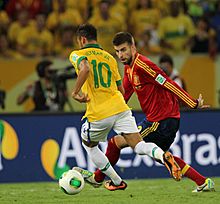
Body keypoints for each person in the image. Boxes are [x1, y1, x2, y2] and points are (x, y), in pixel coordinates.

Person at [75, 31, 215, 193]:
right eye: (117, 51)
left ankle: (98, 178)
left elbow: (167, 82)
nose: (120, 55)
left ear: (133, 47)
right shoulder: (129, 69)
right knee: (162, 156)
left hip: (160, 120)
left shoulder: (143, 65)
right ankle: (203, 182)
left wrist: (192, 103)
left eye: (123, 50)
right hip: (164, 120)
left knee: (116, 143)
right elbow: (123, 96)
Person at [69, 24, 182, 191]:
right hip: (121, 109)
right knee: (139, 145)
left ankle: (116, 181)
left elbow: (85, 68)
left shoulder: (77, 54)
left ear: (82, 39)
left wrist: (75, 92)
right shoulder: (109, 58)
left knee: (89, 145)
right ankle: (162, 155)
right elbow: (121, 90)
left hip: (98, 113)